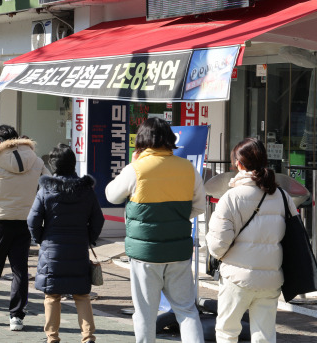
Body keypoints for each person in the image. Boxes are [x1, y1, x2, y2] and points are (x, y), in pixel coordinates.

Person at [105, 117, 205, 343]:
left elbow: (111, 195)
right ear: (169, 139)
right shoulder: (188, 168)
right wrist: (174, 218)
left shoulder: (136, 169)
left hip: (145, 254)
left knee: (145, 313)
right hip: (178, 250)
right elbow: (199, 205)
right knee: (186, 310)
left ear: (141, 141)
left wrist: (131, 164)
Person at [207, 138, 292, 343]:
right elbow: (294, 237)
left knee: (227, 331)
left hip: (237, 277)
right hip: (271, 278)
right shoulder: (281, 195)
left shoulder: (231, 197)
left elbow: (218, 244)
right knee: (264, 335)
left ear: (238, 164)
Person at [0, 125, 49, 331]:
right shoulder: (36, 160)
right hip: (25, 220)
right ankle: (17, 317)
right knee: (20, 269)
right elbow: (48, 186)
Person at [28, 144, 104, 343]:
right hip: (78, 247)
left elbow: (33, 220)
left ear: (53, 165)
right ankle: (88, 337)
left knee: (52, 295)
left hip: (52, 249)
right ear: (73, 164)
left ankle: (52, 337)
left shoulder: (46, 189)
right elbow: (98, 219)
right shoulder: (86, 189)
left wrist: (40, 239)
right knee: (81, 294)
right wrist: (89, 237)